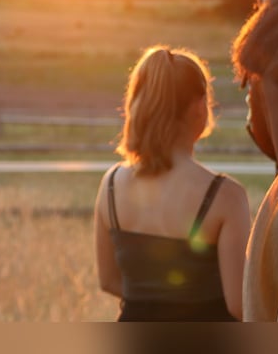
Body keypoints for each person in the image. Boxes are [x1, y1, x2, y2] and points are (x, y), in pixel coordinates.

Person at [94, 45, 252, 321]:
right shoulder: (225, 196)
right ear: (198, 108)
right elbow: (239, 305)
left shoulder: (110, 185)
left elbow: (108, 280)